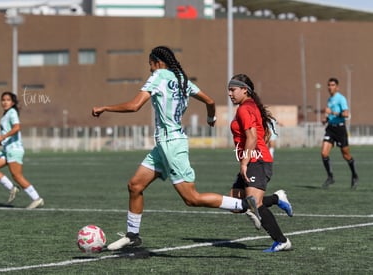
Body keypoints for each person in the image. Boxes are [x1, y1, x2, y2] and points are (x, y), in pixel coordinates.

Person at [91, 46, 260, 251]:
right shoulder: (182, 79)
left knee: (192, 198)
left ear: (157, 62)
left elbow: (135, 106)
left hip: (171, 144)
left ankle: (243, 205)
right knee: (135, 185)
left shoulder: (159, 75)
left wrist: (105, 107)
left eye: (150, 65)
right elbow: (210, 101)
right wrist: (210, 117)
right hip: (164, 145)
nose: (150, 70)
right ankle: (132, 235)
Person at [227, 73, 292, 252]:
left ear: (244, 90)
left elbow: (252, 136)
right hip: (253, 159)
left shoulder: (244, 109)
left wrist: (244, 162)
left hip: (257, 160)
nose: (230, 94)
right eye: (229, 90)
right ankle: (278, 198)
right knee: (235, 203)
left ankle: (282, 241)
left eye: (233, 90)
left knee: (253, 203)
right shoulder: (249, 106)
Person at [0, 91, 44, 209]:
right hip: (7, 149)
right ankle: (12, 188)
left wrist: (2, 137)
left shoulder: (12, 112)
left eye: (8, 100)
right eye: (3, 100)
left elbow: (17, 127)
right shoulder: (6, 114)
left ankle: (37, 199)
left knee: (17, 176)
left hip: (14, 149)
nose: (5, 102)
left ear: (12, 102)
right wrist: (3, 140)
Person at [321, 77, 358, 189]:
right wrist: (326, 119)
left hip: (340, 129)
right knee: (324, 153)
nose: (330, 87)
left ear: (337, 87)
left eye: (332, 85)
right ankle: (330, 176)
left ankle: (354, 175)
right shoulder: (329, 100)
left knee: (346, 155)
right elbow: (329, 115)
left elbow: (346, 114)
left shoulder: (341, 98)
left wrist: (332, 112)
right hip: (330, 129)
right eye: (328, 85)